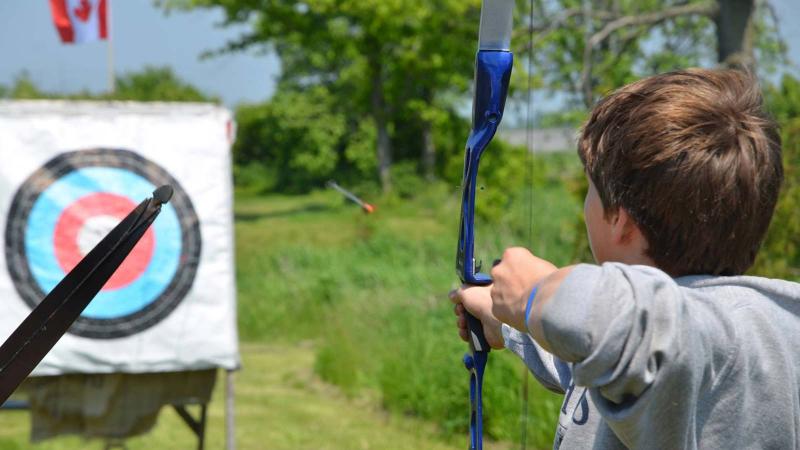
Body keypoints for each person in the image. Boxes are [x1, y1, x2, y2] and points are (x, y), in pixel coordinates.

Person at [449, 68, 800, 449]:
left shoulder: (715, 334)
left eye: (591, 190)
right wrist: (508, 322)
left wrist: (533, 293)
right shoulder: (656, 352)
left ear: (621, 223)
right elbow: (593, 362)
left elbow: (615, 324)